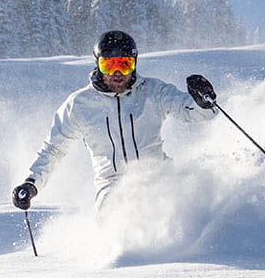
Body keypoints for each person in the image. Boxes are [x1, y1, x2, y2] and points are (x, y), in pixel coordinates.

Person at [12, 30, 217, 214]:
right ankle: (123, 255)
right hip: (112, 185)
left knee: (185, 208)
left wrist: (204, 102)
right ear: (98, 65)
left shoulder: (154, 91)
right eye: (109, 65)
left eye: (125, 64)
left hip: (160, 176)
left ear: (134, 64)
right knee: (115, 217)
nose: (118, 73)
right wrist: (32, 184)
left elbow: (191, 111)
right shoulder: (79, 104)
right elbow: (54, 149)